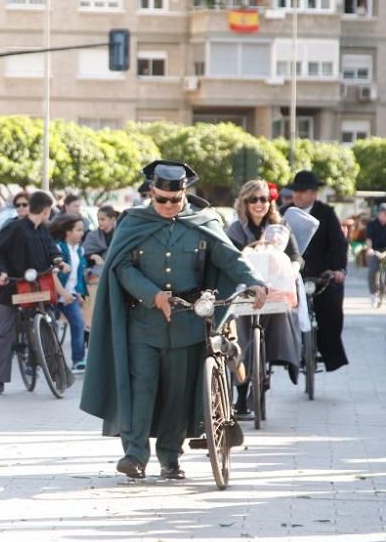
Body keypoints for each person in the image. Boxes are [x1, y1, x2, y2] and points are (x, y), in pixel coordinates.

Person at [80, 161, 268, 481]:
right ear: (151, 192)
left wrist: (253, 280)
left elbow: (228, 256)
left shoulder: (204, 221)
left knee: (177, 394)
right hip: (143, 321)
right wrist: (152, 294)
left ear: (185, 193)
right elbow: (121, 267)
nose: (168, 206)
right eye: (162, 199)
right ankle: (135, 455)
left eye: (175, 200)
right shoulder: (133, 221)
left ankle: (170, 458)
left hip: (188, 321)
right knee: (142, 388)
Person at [225, 179, 302, 417]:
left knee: (278, 326)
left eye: (264, 199)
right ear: (245, 203)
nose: (259, 204)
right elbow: (229, 259)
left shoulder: (280, 227)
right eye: (254, 200)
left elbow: (296, 256)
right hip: (246, 292)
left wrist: (294, 269)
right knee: (242, 339)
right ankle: (241, 395)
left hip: (275, 293)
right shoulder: (235, 230)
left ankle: (265, 377)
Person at [0, 190, 69, 395]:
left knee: (50, 321)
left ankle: (56, 373)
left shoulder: (43, 229)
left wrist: (58, 260)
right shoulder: (14, 227)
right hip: (13, 287)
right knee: (5, 332)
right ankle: (0, 380)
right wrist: (2, 272)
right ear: (46, 210)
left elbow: (52, 249)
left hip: (37, 286)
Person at [282, 170, 349, 372]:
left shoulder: (327, 213)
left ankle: (330, 354)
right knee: (282, 311)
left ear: (314, 193)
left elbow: (338, 244)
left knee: (332, 306)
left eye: (303, 191)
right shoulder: (284, 212)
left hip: (321, 274)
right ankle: (287, 355)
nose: (298, 195)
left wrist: (337, 270)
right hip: (292, 274)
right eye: (296, 191)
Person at [51, 214, 88, 371]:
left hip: (70, 295)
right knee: (50, 329)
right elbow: (52, 275)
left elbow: (78, 275)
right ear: (68, 231)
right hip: (54, 295)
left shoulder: (80, 249)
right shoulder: (59, 248)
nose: (82, 233)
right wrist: (63, 293)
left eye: (82, 230)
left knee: (78, 324)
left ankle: (78, 360)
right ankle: (42, 363)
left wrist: (78, 293)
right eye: (78, 230)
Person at [82, 205, 118, 338]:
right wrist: (93, 256)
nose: (100, 222)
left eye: (103, 219)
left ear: (112, 219)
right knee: (95, 308)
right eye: (98, 219)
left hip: (115, 275)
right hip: (96, 278)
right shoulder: (92, 236)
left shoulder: (120, 234)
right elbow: (84, 254)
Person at [364, 203, 386, 307]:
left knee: (383, 278)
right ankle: (373, 293)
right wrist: (369, 249)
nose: (384, 215)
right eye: (382, 213)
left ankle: (383, 291)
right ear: (379, 214)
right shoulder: (372, 224)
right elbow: (369, 239)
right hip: (375, 251)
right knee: (372, 273)